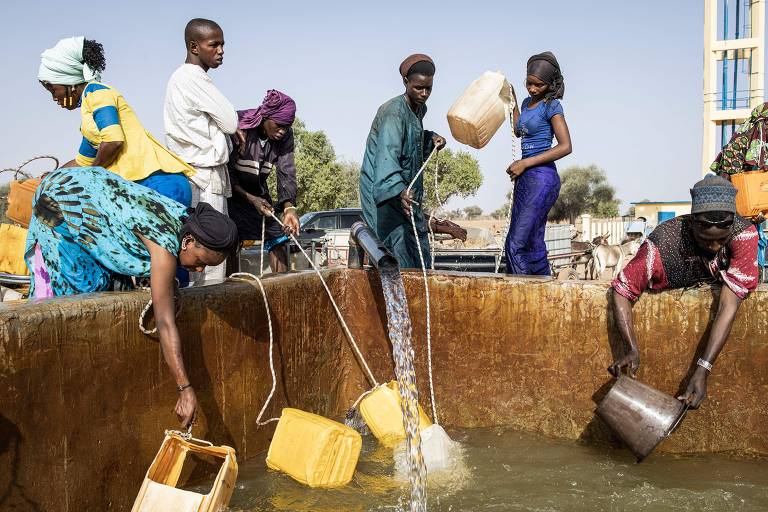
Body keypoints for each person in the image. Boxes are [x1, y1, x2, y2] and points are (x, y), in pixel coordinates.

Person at [24, 166, 239, 427]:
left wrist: (168, 285)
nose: (200, 270)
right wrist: (185, 388)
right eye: (200, 261)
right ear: (189, 241)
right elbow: (165, 322)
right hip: (61, 199)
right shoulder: (164, 248)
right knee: (78, 286)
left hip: (91, 188)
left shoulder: (185, 222)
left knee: (110, 284)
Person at [608, 175, 759, 409]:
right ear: (692, 224)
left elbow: (728, 305)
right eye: (705, 240)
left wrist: (703, 369)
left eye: (721, 241)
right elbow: (622, 290)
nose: (714, 247)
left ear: (731, 226)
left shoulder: (743, 235)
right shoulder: (662, 243)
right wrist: (631, 348)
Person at [38, 36, 194, 205]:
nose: (54, 97)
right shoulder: (88, 122)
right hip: (141, 188)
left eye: (53, 90)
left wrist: (90, 176)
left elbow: (113, 141)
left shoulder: (97, 92)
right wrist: (53, 177)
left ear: (68, 81)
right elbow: (82, 163)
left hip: (159, 184)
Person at [164, 18, 238, 282]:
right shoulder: (192, 77)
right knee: (208, 259)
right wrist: (226, 129)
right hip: (204, 177)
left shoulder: (181, 78)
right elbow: (230, 122)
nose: (221, 51)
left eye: (222, 45)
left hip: (195, 174)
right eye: (214, 45)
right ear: (194, 47)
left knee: (200, 258)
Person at [359, 54, 446, 268]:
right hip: (386, 193)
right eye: (418, 88)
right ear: (405, 82)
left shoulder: (418, 109)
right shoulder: (392, 113)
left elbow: (411, 141)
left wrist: (431, 138)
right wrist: (399, 191)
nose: (424, 94)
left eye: (428, 88)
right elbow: (387, 156)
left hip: (404, 191)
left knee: (418, 249)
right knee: (398, 253)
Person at [505, 51, 572, 275]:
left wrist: (525, 163)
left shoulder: (552, 106)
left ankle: (521, 292)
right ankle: (544, 286)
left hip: (542, 178)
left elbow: (565, 146)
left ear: (550, 84)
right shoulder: (526, 103)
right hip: (525, 179)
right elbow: (518, 130)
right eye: (529, 83)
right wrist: (513, 100)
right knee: (533, 243)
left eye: (539, 85)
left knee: (516, 244)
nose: (532, 89)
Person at [228, 90, 300, 272]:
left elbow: (286, 171)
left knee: (278, 236)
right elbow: (227, 174)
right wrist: (251, 199)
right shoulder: (239, 126)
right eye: (279, 125)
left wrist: (289, 208)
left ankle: (282, 287)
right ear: (265, 117)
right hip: (232, 194)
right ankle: (232, 286)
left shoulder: (285, 136)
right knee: (230, 239)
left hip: (259, 195)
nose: (282, 131)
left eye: (287, 127)